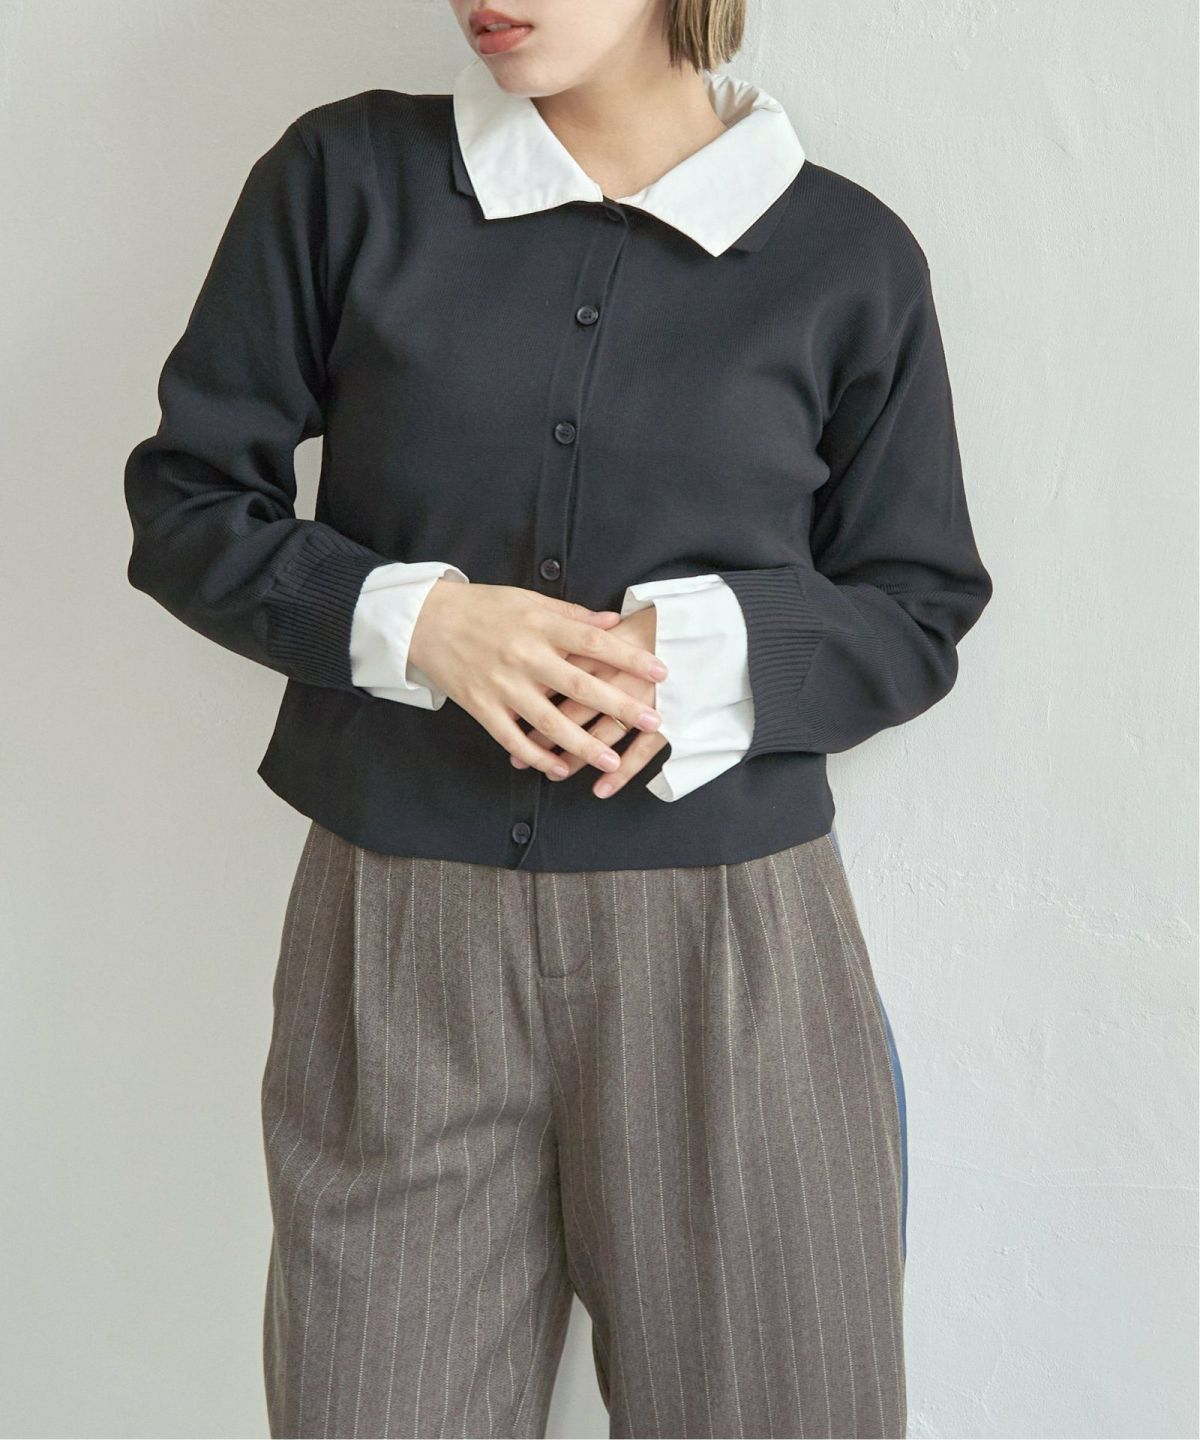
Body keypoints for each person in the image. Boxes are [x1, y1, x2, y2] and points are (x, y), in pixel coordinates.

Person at [123, 1, 992, 1435]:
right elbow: (189, 502)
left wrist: (697, 651)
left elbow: (917, 604)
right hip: (397, 943)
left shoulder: (848, 257)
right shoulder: (346, 181)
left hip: (734, 957)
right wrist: (419, 623)